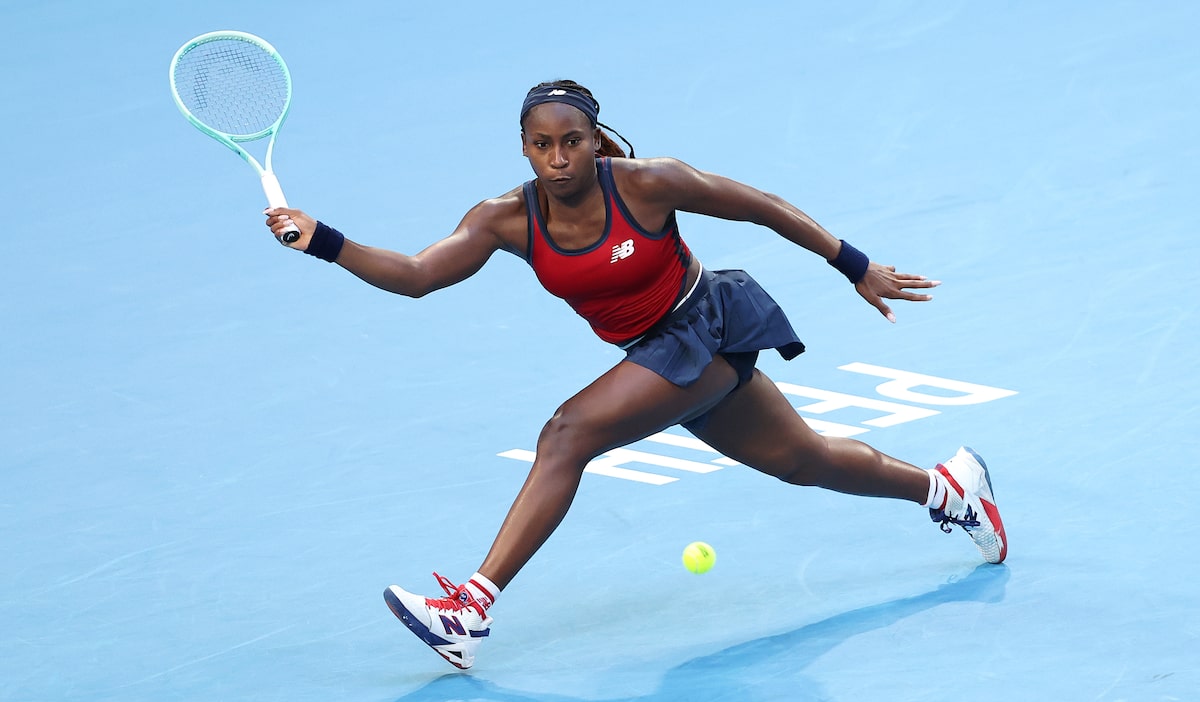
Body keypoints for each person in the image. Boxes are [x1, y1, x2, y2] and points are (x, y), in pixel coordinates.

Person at [265, 79, 1007, 671]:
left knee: (566, 434)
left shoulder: (649, 184)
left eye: (571, 142)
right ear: (523, 149)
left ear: (595, 142)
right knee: (802, 460)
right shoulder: (504, 220)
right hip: (656, 359)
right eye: (541, 145)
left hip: (706, 327)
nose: (558, 159)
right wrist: (323, 241)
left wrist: (855, 266)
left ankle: (471, 609)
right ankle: (949, 489)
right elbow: (419, 274)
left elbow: (764, 208)